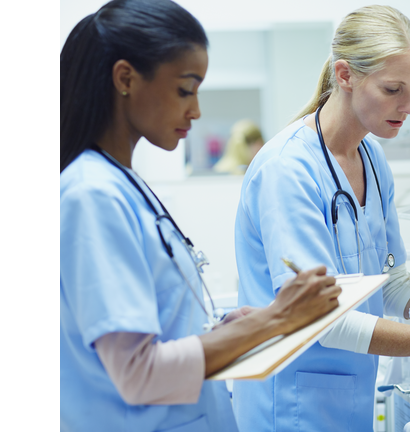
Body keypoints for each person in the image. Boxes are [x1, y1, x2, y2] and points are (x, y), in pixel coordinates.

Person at [233, 5, 410, 431]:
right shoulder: (286, 170)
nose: (409, 106)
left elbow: (392, 285)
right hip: (289, 404)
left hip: (347, 399)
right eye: (393, 89)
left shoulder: (371, 158)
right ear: (345, 75)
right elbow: (322, 322)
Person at [60, 1, 341, 431]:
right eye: (185, 90)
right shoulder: (92, 195)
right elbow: (139, 375)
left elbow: (159, 333)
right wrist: (276, 319)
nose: (196, 111)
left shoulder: (123, 185)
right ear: (125, 78)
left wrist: (225, 329)